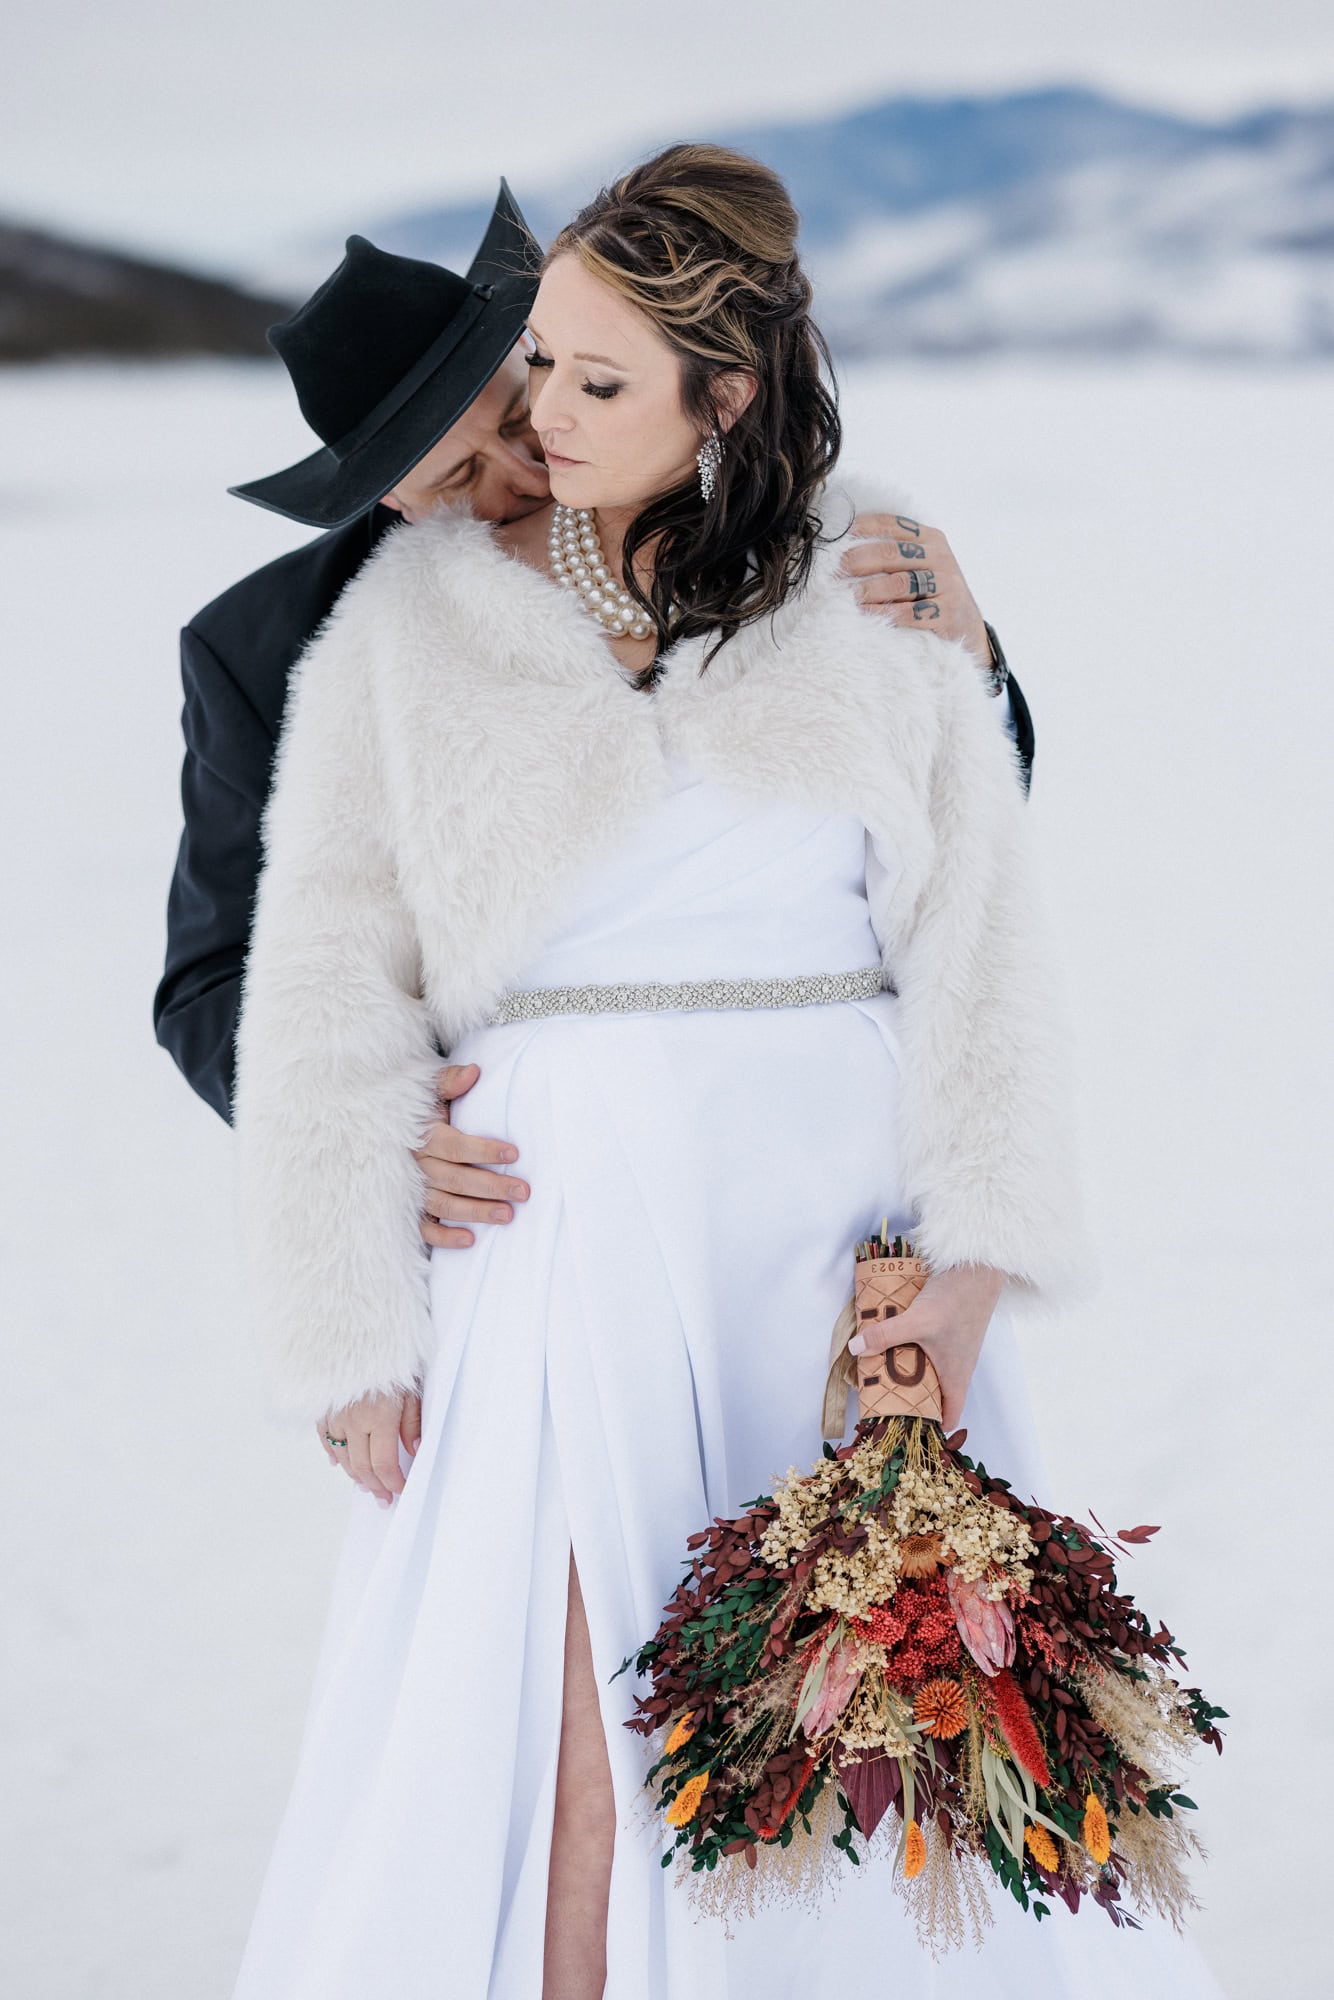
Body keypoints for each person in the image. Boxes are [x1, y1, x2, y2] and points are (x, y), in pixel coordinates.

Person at [226, 147, 1224, 2000]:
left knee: (853, 1725)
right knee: (580, 1718)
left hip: (831, 1250)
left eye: (591, 380)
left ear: (726, 392)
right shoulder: (400, 629)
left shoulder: (875, 578)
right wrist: (343, 1325)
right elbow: (314, 985)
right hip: (557, 1239)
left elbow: (983, 950)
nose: (534, 420)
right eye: (531, 372)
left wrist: (971, 1268)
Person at [152, 184, 1033, 1378]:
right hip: (529, 1193)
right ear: (384, 499)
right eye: (453, 476)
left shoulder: (743, 519)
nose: (524, 465)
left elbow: (953, 820)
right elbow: (222, 972)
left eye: (519, 409)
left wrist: (970, 651)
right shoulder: (281, 649)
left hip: (808, 1171)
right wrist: (375, 1144)